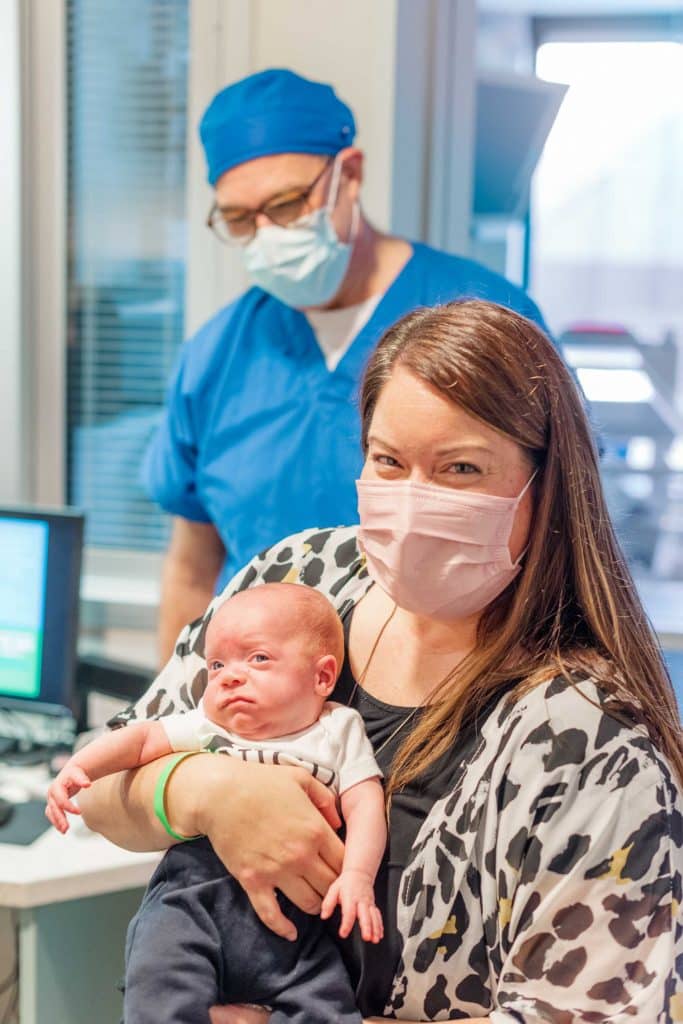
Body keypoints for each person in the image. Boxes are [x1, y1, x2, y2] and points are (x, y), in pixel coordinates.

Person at [81, 298, 683, 1024]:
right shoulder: (299, 579)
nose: (412, 502)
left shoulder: (593, 744)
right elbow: (100, 794)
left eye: (460, 468)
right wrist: (204, 791)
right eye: (387, 461)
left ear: (544, 484)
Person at [146, 67, 554, 664]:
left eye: (285, 205)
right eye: (238, 219)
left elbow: (558, 533)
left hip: (445, 687)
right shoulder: (216, 356)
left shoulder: (488, 319)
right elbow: (191, 566)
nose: (265, 235)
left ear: (350, 175)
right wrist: (172, 717)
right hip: (263, 708)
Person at [47, 584, 385, 1024]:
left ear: (322, 677)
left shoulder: (337, 729)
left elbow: (365, 803)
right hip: (195, 896)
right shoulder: (208, 725)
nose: (229, 676)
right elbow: (144, 738)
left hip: (299, 925)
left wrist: (358, 875)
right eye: (217, 664)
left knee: (327, 1006)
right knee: (159, 981)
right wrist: (82, 766)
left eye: (258, 658)